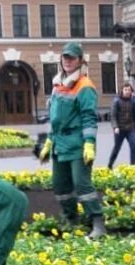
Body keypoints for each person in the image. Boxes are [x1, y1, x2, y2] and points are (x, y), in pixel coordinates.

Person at [39, 41, 106, 237]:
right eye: (65, 57)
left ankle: (98, 222)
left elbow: (88, 118)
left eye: (72, 58)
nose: (68, 61)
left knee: (82, 184)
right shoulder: (57, 84)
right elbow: (55, 119)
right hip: (60, 144)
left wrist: (89, 144)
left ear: (80, 61)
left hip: (77, 144)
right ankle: (71, 220)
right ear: (61, 60)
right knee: (60, 186)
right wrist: (49, 142)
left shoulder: (85, 86)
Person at [107, 82, 135, 168]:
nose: (127, 91)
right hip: (119, 129)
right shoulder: (116, 101)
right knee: (117, 148)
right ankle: (110, 164)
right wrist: (115, 127)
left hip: (130, 128)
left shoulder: (133, 101)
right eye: (125, 90)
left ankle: (134, 167)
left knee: (133, 146)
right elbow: (112, 116)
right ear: (122, 90)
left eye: (129, 90)